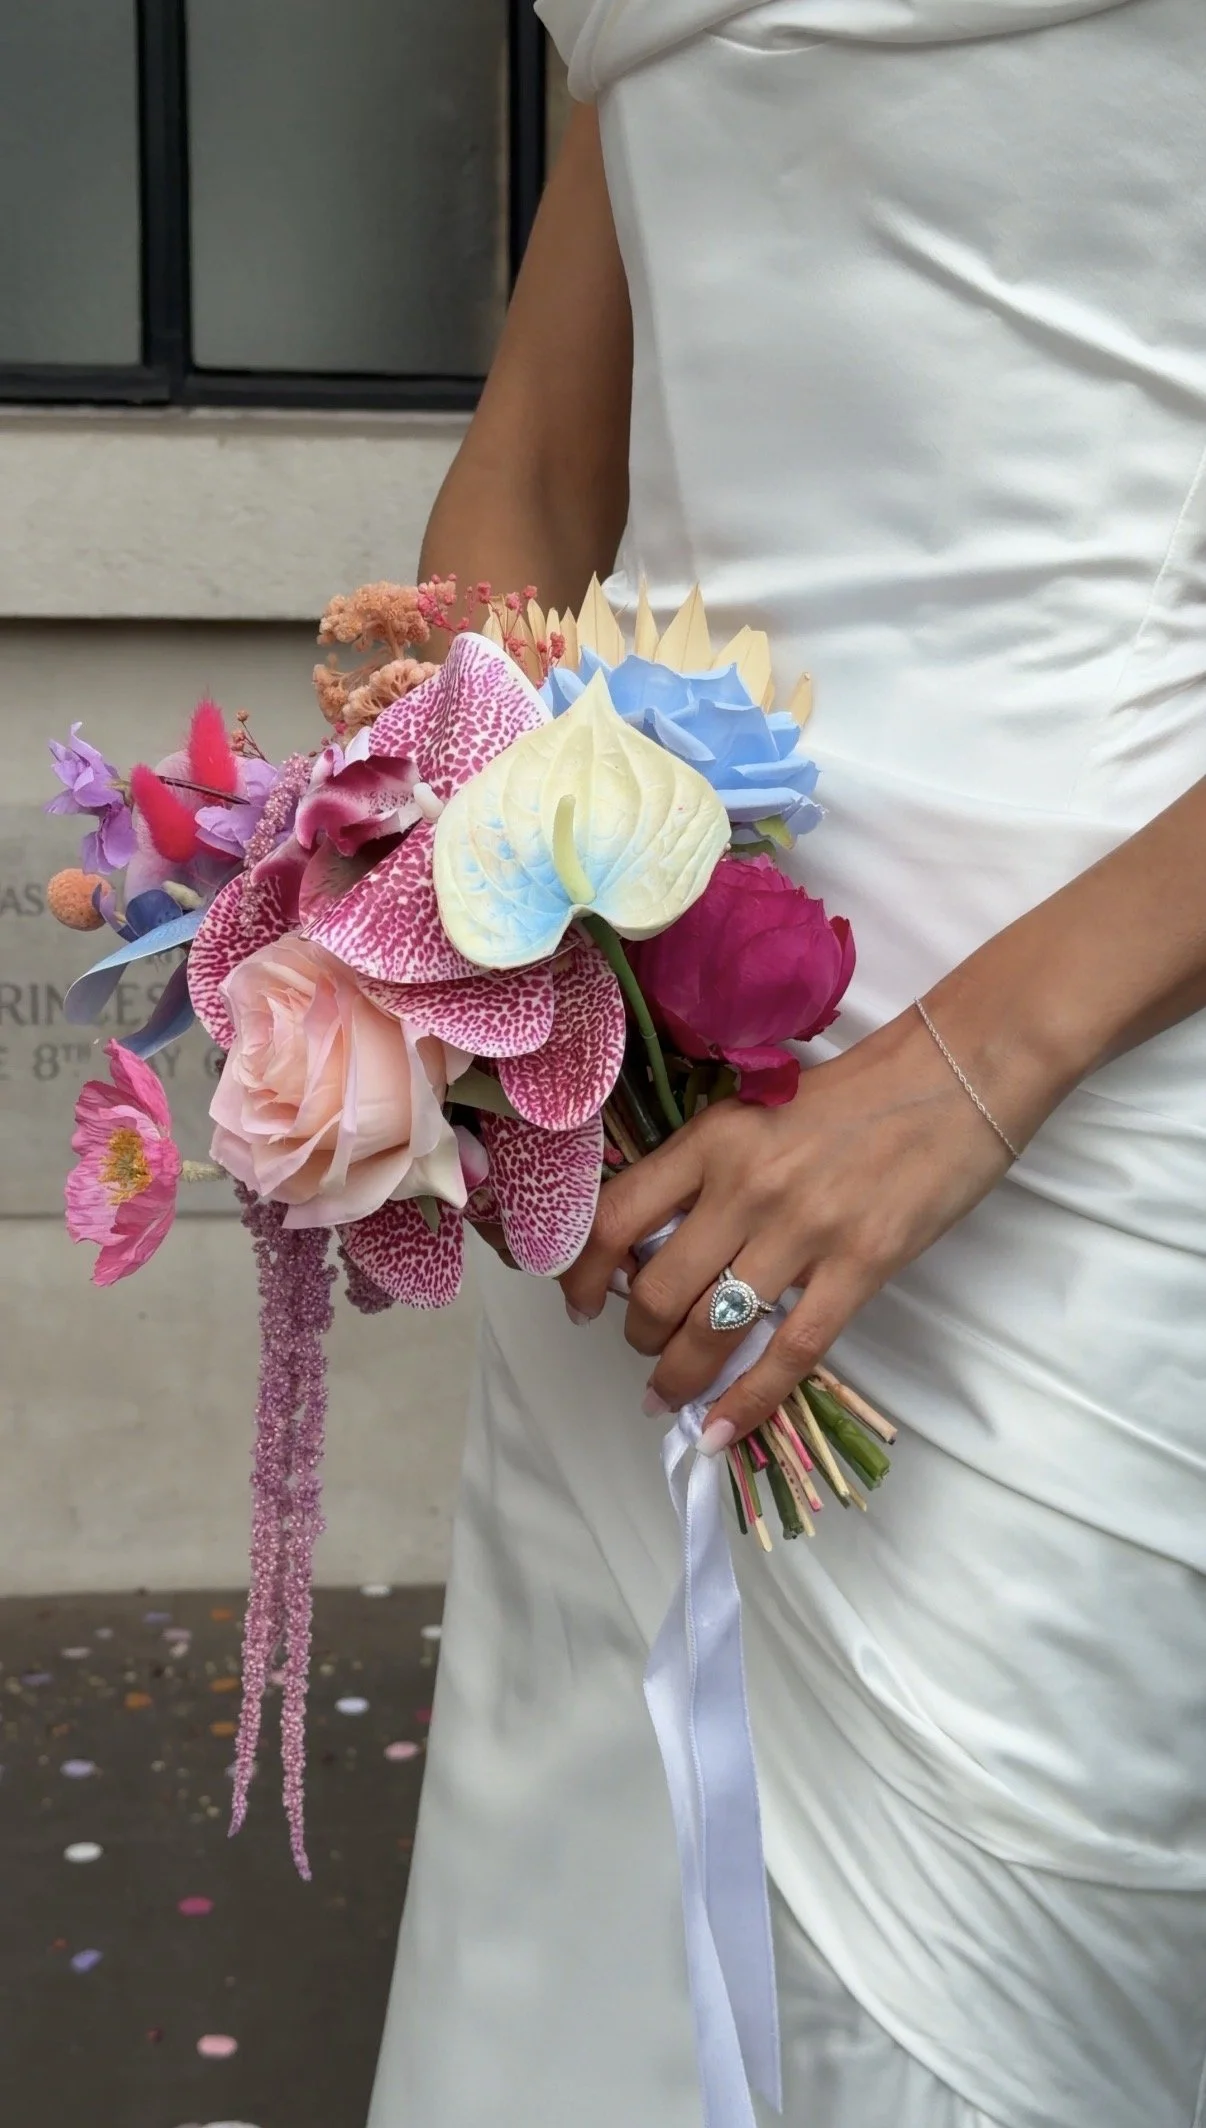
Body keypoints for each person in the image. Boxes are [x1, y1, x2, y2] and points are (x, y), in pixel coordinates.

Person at [368, 4, 1206, 2123]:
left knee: (998, 1990)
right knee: (601, 1937)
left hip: (1099, 1059)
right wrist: (437, 838)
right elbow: (552, 459)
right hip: (641, 1017)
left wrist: (961, 1076)